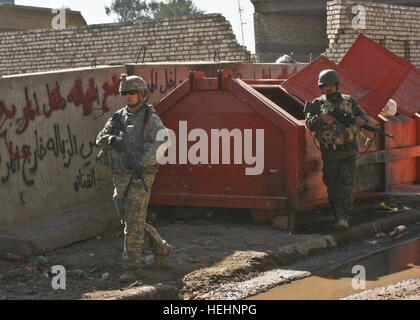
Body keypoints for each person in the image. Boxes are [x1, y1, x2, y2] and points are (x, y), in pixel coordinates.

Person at [96, 74, 172, 281]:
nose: (128, 96)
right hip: (120, 175)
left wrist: (142, 161)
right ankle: (160, 247)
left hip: (141, 174)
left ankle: (131, 267)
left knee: (133, 221)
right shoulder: (118, 118)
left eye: (132, 92)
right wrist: (113, 139)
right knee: (129, 219)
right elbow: (99, 139)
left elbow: (163, 141)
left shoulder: (150, 118)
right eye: (125, 93)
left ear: (142, 95)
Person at [305, 69, 370, 231]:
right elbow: (309, 123)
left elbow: (363, 117)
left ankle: (343, 218)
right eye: (323, 86)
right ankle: (337, 214)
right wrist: (322, 119)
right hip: (330, 151)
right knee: (332, 184)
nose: (326, 89)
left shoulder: (348, 101)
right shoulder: (318, 103)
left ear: (336, 85)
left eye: (329, 86)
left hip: (348, 150)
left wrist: (360, 121)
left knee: (346, 184)